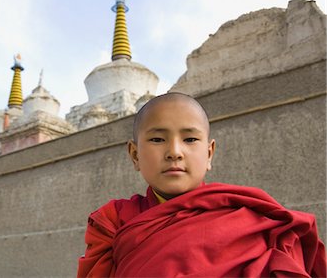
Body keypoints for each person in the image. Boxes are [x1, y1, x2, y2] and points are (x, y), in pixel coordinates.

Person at [77, 92, 326, 277]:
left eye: (190, 139)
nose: (174, 151)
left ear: (209, 153)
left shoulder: (254, 222)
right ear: (134, 155)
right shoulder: (112, 222)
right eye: (156, 139)